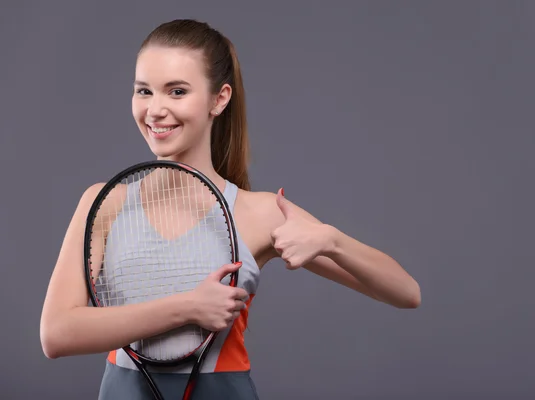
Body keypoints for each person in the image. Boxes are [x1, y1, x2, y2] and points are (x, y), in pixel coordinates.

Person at [39, 18, 421, 399]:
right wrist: (188, 307)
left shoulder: (262, 213)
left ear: (219, 99)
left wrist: (330, 240)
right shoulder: (103, 202)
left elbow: (406, 292)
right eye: (144, 91)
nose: (155, 110)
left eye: (176, 91)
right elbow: (56, 334)